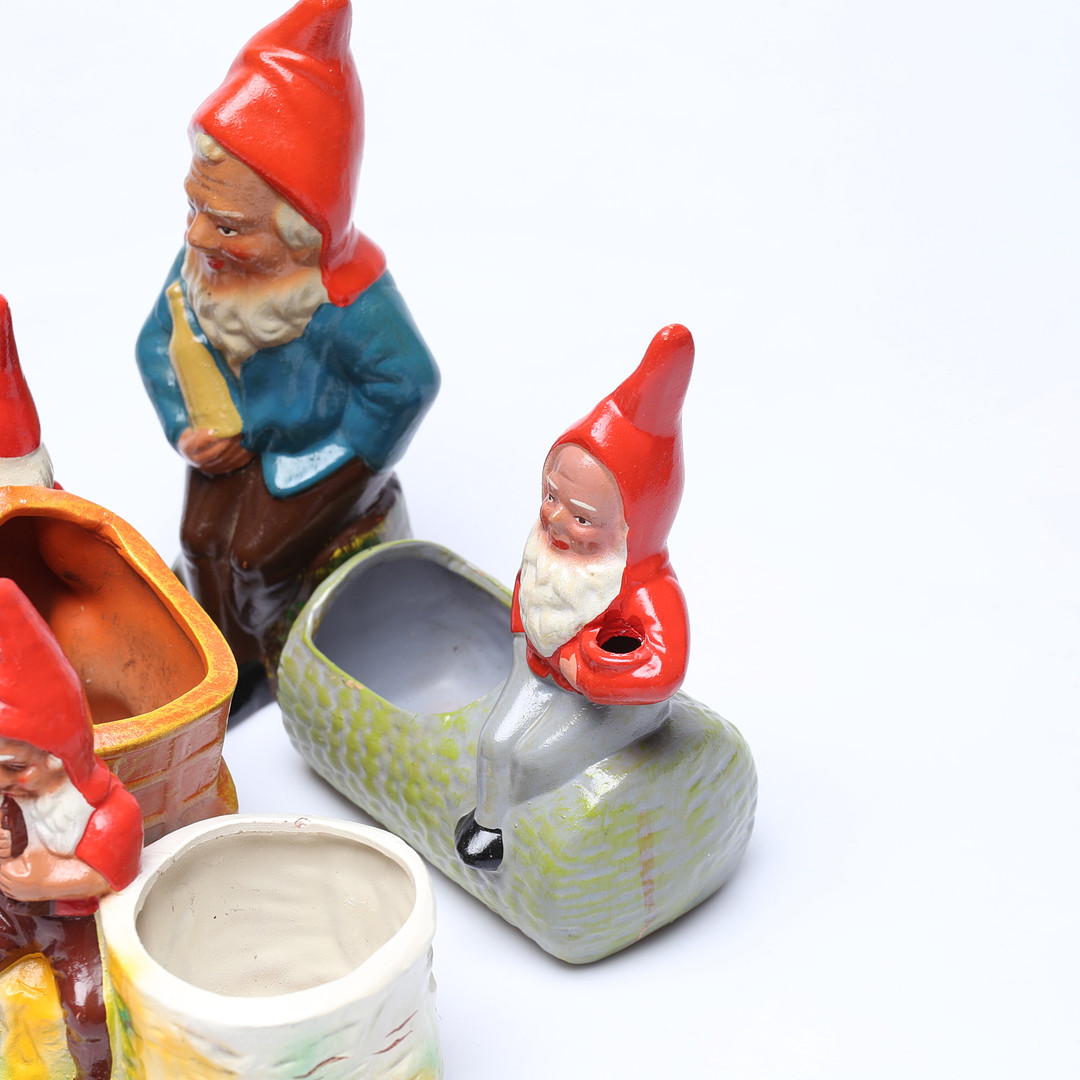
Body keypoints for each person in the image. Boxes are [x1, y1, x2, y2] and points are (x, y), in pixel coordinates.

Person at [136, 0, 439, 696]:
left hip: (314, 455)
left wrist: (334, 458)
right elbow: (157, 341)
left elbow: (407, 383)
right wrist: (186, 428)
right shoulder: (205, 269)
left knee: (253, 556)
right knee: (198, 541)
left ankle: (264, 661)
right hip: (229, 444)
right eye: (194, 208)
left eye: (228, 226)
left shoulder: (347, 301)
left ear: (301, 229)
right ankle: (220, 657)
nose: (198, 237)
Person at [455, 325, 695, 870]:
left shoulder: (648, 587)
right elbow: (528, 595)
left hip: (607, 704)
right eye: (551, 496)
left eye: (583, 518)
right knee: (495, 743)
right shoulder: (549, 552)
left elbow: (663, 669)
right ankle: (488, 829)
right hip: (539, 669)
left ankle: (532, 831)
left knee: (532, 759)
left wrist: (586, 671)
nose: (556, 520)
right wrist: (531, 643)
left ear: (632, 526)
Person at [0, 578, 143, 1080]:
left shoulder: (105, 811)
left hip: (71, 925)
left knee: (87, 1008)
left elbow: (111, 874)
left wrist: (44, 881)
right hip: (8, 912)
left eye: (14, 767)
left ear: (58, 757)